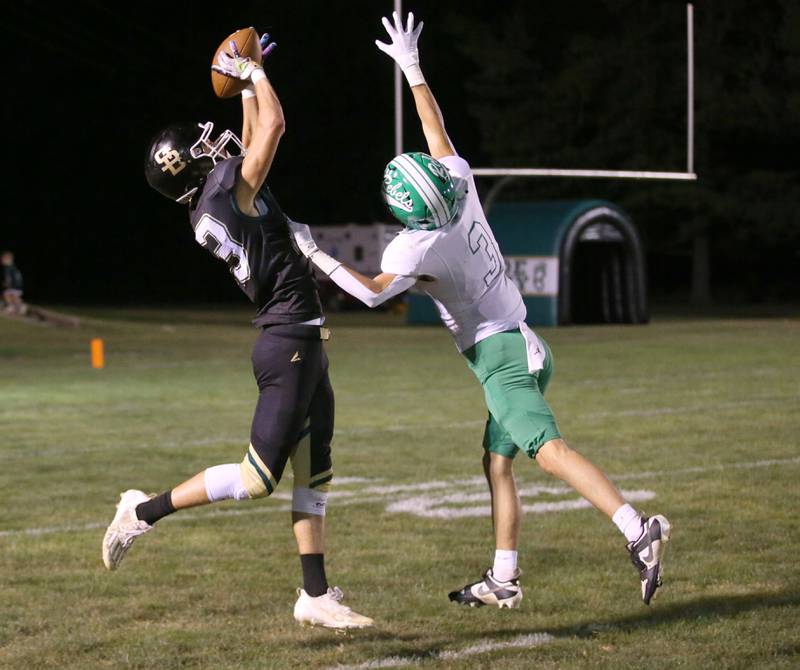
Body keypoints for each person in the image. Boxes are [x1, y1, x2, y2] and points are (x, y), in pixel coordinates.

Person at [289, 12, 671, 609]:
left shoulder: (415, 243)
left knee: (550, 452)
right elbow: (436, 130)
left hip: (501, 360)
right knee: (496, 465)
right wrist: (413, 68)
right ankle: (503, 578)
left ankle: (636, 529)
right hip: (523, 340)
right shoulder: (460, 183)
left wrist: (312, 250)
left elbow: (367, 293)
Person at [102, 34, 372, 630]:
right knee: (257, 480)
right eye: (200, 145)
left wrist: (250, 81)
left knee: (314, 471)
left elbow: (252, 138)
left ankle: (315, 594)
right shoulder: (227, 191)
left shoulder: (215, 198)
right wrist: (254, 76)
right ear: (191, 168)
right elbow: (271, 131)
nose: (213, 141)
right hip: (286, 343)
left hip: (301, 339)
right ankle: (140, 511)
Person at [2, 251, 26, 315]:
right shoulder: (14, 267)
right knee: (15, 297)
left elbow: (8, 278)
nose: (2, 261)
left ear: (8, 260)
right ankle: (21, 307)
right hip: (19, 285)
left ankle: (11, 307)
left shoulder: (8, 268)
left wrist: (6, 283)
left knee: (6, 294)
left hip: (13, 285)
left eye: (3, 260)